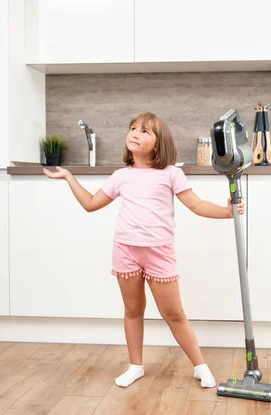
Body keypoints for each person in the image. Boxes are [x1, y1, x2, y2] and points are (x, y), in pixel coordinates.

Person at [43, 112, 245, 389]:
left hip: (158, 253)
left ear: (159, 144)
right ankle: (135, 366)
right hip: (125, 250)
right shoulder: (121, 176)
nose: (135, 133)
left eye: (145, 131)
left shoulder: (171, 173)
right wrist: (68, 177)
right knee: (133, 310)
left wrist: (227, 212)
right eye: (133, 128)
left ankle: (200, 365)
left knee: (173, 313)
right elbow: (90, 204)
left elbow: (196, 205)